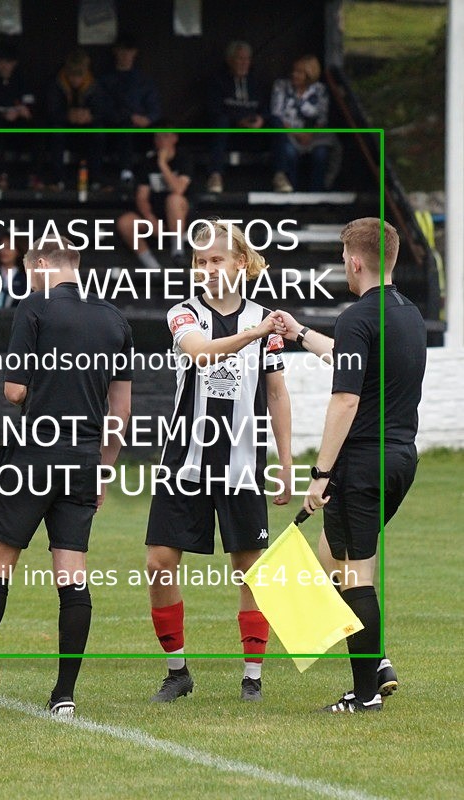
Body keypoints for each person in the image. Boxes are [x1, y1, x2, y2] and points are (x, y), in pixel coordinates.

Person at [0, 236, 133, 718]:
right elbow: (121, 411)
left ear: (41, 263)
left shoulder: (34, 306)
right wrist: (103, 470)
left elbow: (14, 390)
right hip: (83, 458)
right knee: (72, 572)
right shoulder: (115, 320)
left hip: (33, 453)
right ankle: (64, 694)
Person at [272, 218, 426, 712]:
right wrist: (299, 333)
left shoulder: (358, 316)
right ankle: (376, 660)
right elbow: (348, 357)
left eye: (343, 257)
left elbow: (345, 399)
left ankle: (365, 695)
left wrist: (320, 474)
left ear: (355, 262)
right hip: (401, 460)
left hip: (361, 464)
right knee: (329, 556)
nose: (343, 264)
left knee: (356, 573)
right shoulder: (407, 314)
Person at [145, 219, 292, 703]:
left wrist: (286, 461)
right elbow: (202, 354)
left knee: (250, 569)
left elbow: (276, 393)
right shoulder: (184, 313)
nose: (207, 269)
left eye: (216, 260)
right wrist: (256, 332)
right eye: (200, 261)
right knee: (159, 563)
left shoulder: (265, 321)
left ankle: (252, 677)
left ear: (240, 263)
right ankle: (177, 672)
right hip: (184, 460)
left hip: (243, 462)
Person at [206, 41, 280, 194]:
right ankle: (215, 176)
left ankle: (280, 175)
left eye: (247, 59)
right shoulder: (218, 81)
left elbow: (267, 109)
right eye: (240, 59)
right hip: (230, 135)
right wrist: (239, 121)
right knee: (220, 122)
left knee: (276, 122)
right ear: (230, 60)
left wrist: (261, 119)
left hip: (254, 134)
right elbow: (214, 110)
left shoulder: (257, 82)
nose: (244, 63)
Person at [116, 129, 191, 272]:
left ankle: (178, 252)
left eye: (165, 136)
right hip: (155, 217)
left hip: (179, 218)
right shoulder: (148, 162)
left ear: (174, 138)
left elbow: (178, 189)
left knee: (174, 199)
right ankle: (153, 267)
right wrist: (151, 219)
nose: (161, 141)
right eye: (158, 137)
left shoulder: (183, 159)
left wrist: (162, 163)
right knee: (125, 222)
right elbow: (142, 197)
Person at [99, 35, 161, 186]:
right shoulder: (106, 80)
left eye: (129, 51)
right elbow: (103, 107)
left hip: (141, 128)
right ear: (115, 52)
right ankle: (126, 172)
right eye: (122, 51)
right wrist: (128, 117)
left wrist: (148, 119)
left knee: (164, 130)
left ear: (135, 53)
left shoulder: (144, 80)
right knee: (124, 127)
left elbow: (155, 108)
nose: (125, 55)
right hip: (116, 128)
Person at [270, 55, 337, 192]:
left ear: (310, 74)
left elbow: (322, 119)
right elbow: (277, 115)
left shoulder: (320, 90)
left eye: (299, 72)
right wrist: (297, 134)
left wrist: (309, 134)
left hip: (313, 136)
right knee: (289, 153)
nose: (294, 75)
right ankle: (291, 195)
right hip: (288, 134)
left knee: (321, 154)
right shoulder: (281, 86)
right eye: (293, 71)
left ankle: (317, 194)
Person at [46, 48, 109, 187]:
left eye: (79, 75)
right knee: (56, 131)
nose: (75, 80)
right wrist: (68, 115)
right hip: (65, 128)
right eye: (72, 75)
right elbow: (51, 112)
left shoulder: (94, 84)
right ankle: (58, 179)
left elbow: (102, 111)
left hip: (86, 130)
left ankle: (95, 178)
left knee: (99, 131)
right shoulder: (57, 83)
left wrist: (89, 116)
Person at [0, 41, 36, 189]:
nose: (4, 66)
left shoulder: (22, 79)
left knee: (37, 128)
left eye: (7, 62)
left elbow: (30, 104)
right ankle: (1, 175)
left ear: (14, 63)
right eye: (0, 62)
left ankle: (34, 176)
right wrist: (3, 114)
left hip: (18, 128)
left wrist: (22, 111)